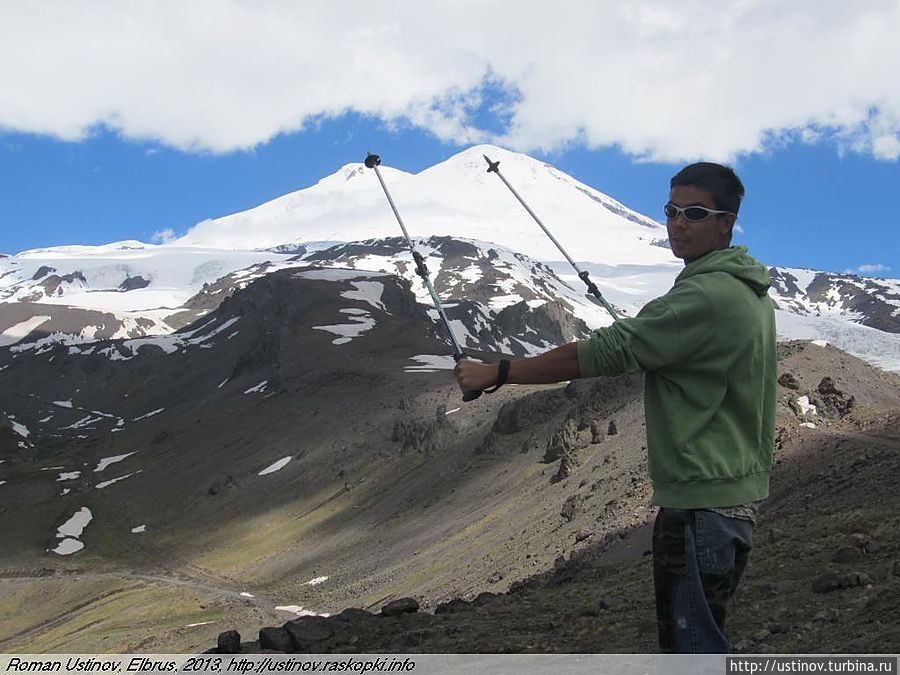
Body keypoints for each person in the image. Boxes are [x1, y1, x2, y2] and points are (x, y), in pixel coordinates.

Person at [454, 162, 776, 653]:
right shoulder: (743, 292)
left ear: (725, 222)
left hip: (700, 505)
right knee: (702, 642)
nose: (677, 223)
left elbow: (604, 353)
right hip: (726, 501)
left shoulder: (708, 295)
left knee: (692, 653)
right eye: (671, 210)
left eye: (693, 212)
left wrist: (498, 372)